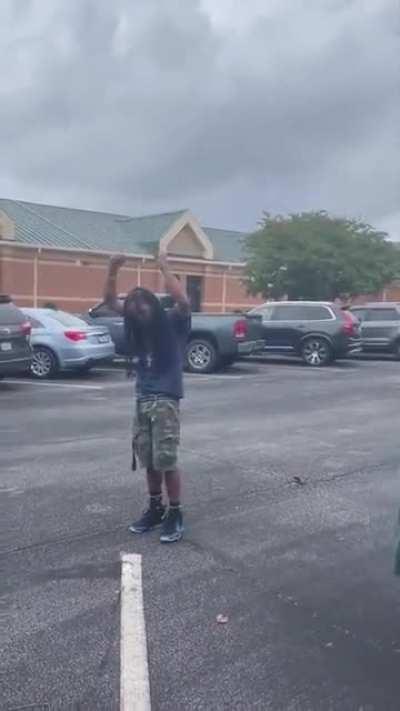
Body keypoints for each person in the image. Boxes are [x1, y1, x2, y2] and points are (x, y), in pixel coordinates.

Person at [103, 252, 191, 543]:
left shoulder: (172, 323)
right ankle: (155, 508)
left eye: (140, 305)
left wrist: (165, 267)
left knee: (166, 459)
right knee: (149, 460)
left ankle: (175, 512)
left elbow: (182, 301)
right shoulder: (137, 331)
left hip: (165, 400)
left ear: (152, 307)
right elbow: (110, 301)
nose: (135, 310)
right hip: (142, 400)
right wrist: (113, 270)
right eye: (132, 306)